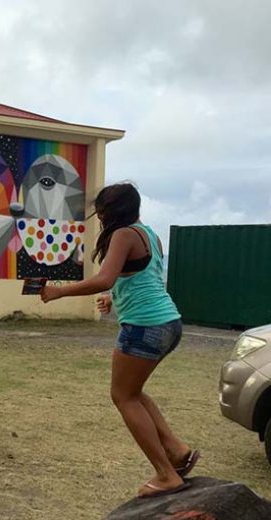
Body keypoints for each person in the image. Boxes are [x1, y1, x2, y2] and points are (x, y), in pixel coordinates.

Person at [40, 183, 197, 499]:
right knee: (133, 393)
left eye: (101, 209)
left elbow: (105, 278)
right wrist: (113, 299)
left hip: (145, 325)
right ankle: (177, 452)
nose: (99, 216)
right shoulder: (148, 233)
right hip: (168, 322)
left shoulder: (123, 234)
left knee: (123, 396)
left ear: (111, 211)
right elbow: (141, 278)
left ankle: (167, 474)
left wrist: (59, 291)